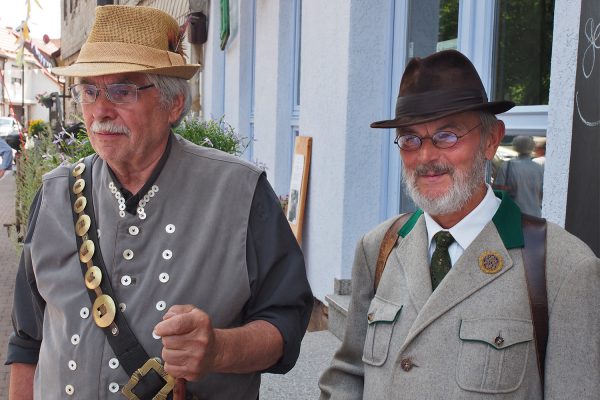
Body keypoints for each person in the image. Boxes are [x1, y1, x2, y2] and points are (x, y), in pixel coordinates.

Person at [6, 5, 313, 400]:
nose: (100, 110)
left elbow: (285, 322)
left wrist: (220, 349)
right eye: (89, 90)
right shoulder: (55, 194)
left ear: (174, 104)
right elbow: (27, 338)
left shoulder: (241, 193)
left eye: (122, 90)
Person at [319, 50, 600, 399]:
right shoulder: (379, 247)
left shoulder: (562, 268)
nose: (426, 157)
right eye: (410, 139)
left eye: (447, 135)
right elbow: (348, 375)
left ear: (491, 140)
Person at [494, 136, 544, 217]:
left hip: (513, 214)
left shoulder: (507, 166)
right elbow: (542, 193)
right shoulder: (538, 168)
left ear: (515, 147)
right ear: (531, 147)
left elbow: (498, 191)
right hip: (535, 214)